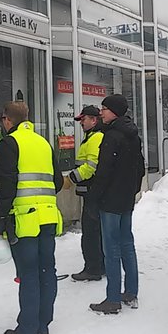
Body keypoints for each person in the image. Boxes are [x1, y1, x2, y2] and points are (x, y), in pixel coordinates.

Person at [0, 101, 64, 334]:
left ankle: (26, 331)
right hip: (48, 217)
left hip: (24, 220)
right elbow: (57, 181)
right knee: (47, 270)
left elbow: (6, 186)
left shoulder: (9, 143)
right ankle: (43, 325)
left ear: (7, 120)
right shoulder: (43, 143)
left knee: (29, 274)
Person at [88, 94, 145, 314]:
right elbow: (140, 167)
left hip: (110, 201)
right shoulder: (133, 135)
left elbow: (103, 172)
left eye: (104, 109)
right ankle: (131, 291)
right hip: (126, 199)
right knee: (126, 244)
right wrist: (132, 191)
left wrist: (94, 198)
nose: (101, 112)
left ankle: (112, 299)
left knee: (110, 248)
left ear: (114, 111)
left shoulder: (111, 137)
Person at [63, 105, 105, 281]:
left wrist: (71, 179)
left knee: (91, 232)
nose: (81, 123)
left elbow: (91, 167)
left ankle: (93, 269)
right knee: (95, 231)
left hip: (92, 193)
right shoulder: (91, 138)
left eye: (84, 119)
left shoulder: (95, 138)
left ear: (94, 120)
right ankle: (98, 266)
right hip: (92, 192)